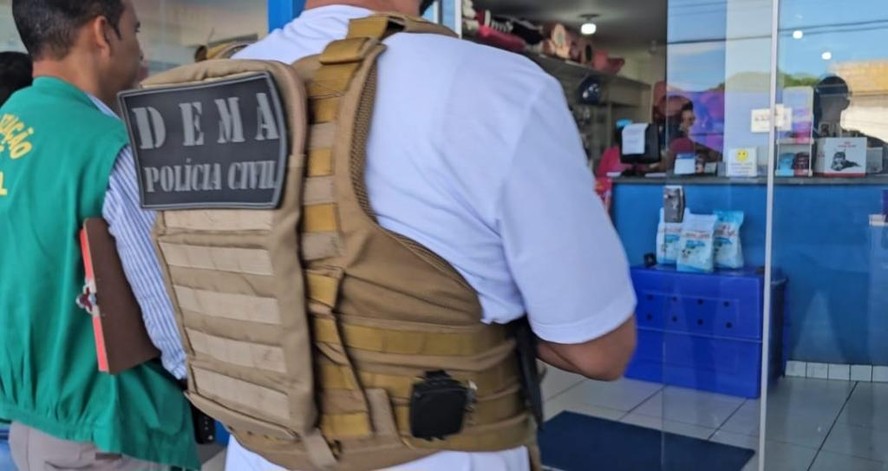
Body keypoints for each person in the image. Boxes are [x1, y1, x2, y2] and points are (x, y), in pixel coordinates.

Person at [227, 0, 638, 470]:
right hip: (439, 452)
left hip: (256, 452)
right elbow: (600, 350)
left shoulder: (217, 84)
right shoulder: (494, 86)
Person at [0, 0, 198, 469]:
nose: (140, 48)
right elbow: (170, 323)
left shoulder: (9, 124)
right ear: (103, 34)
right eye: (136, 29)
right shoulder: (108, 148)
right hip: (113, 432)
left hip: (32, 423)